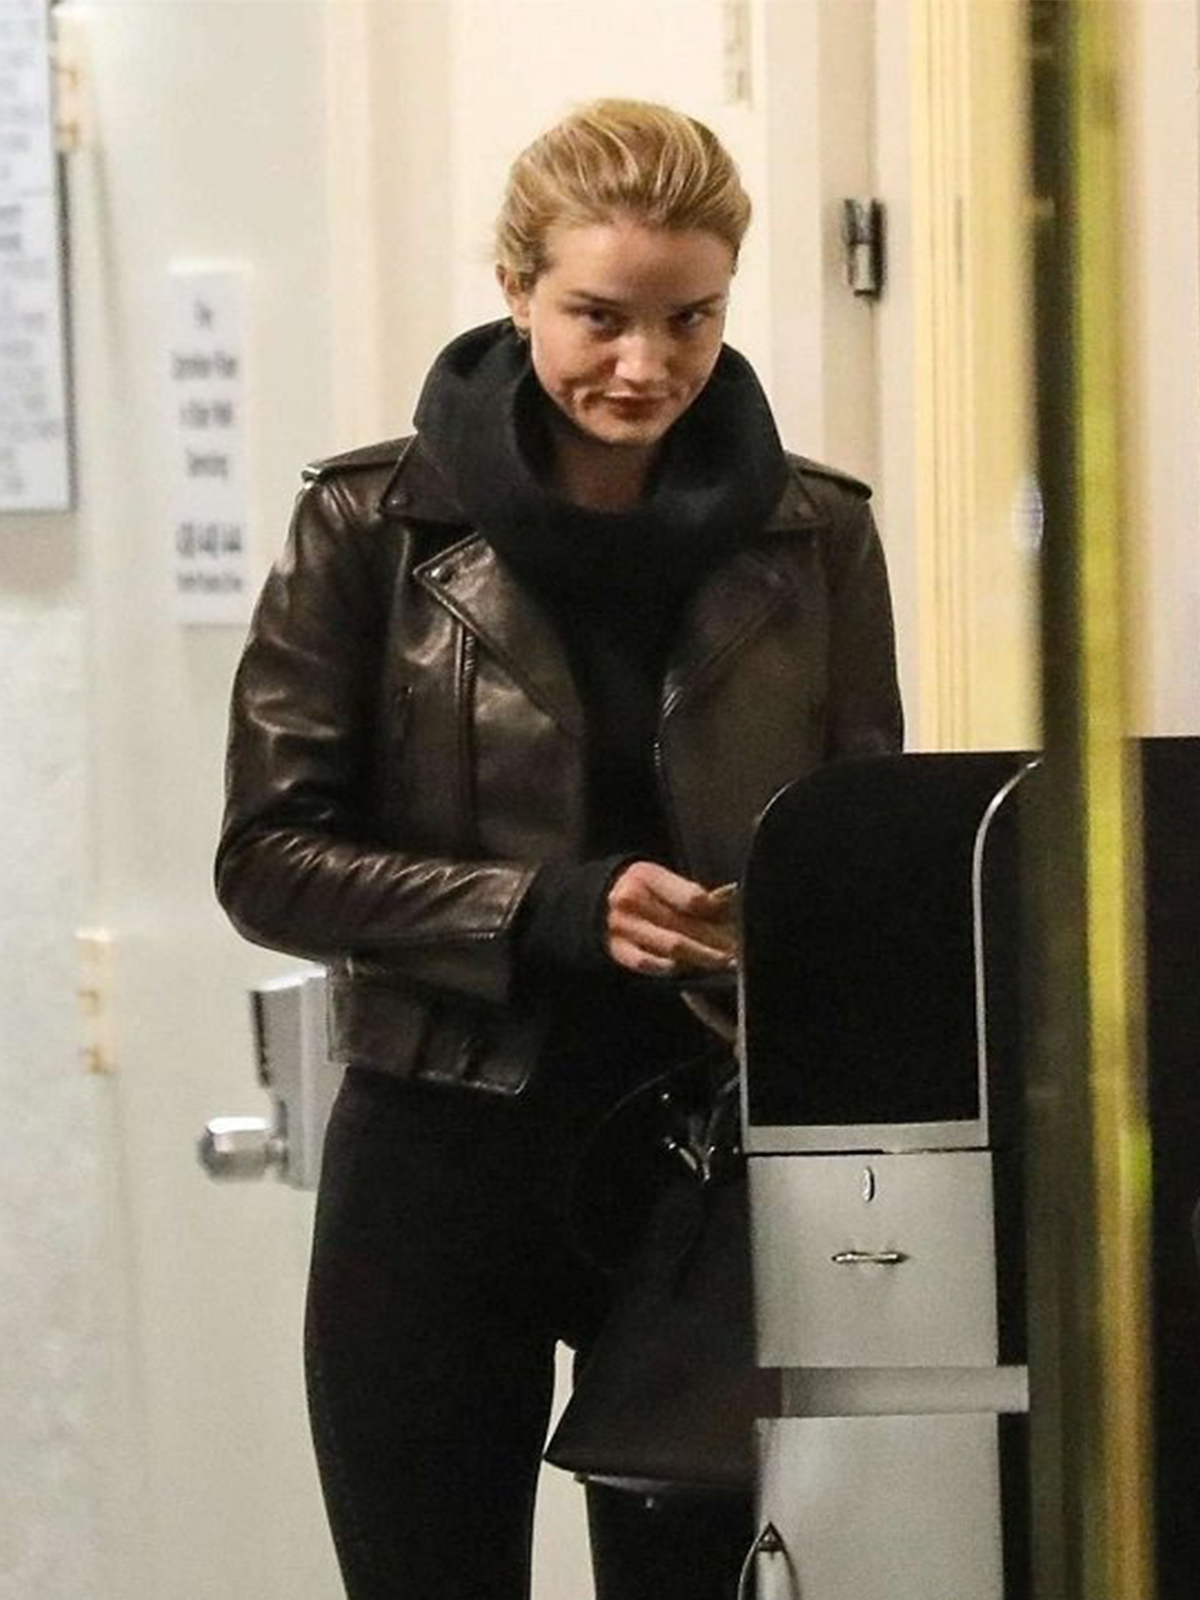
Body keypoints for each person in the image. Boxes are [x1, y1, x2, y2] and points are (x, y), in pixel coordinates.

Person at [215, 98, 902, 1600]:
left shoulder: (815, 534)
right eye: (599, 316)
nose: (645, 364)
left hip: (705, 1159)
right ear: (516, 289)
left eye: (691, 318)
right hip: (437, 1154)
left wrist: (779, 928)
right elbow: (267, 857)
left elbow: (860, 851)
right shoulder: (371, 525)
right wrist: (547, 909)